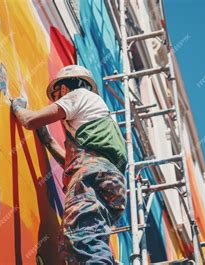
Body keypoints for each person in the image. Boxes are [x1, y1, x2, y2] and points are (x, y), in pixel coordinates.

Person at [11, 65, 127, 264]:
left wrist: (18, 108)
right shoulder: (100, 118)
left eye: (56, 94)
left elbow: (30, 121)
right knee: (83, 239)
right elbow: (73, 161)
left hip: (91, 176)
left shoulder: (79, 95)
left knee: (83, 238)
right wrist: (48, 140)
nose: (56, 99)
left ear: (65, 87)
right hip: (111, 184)